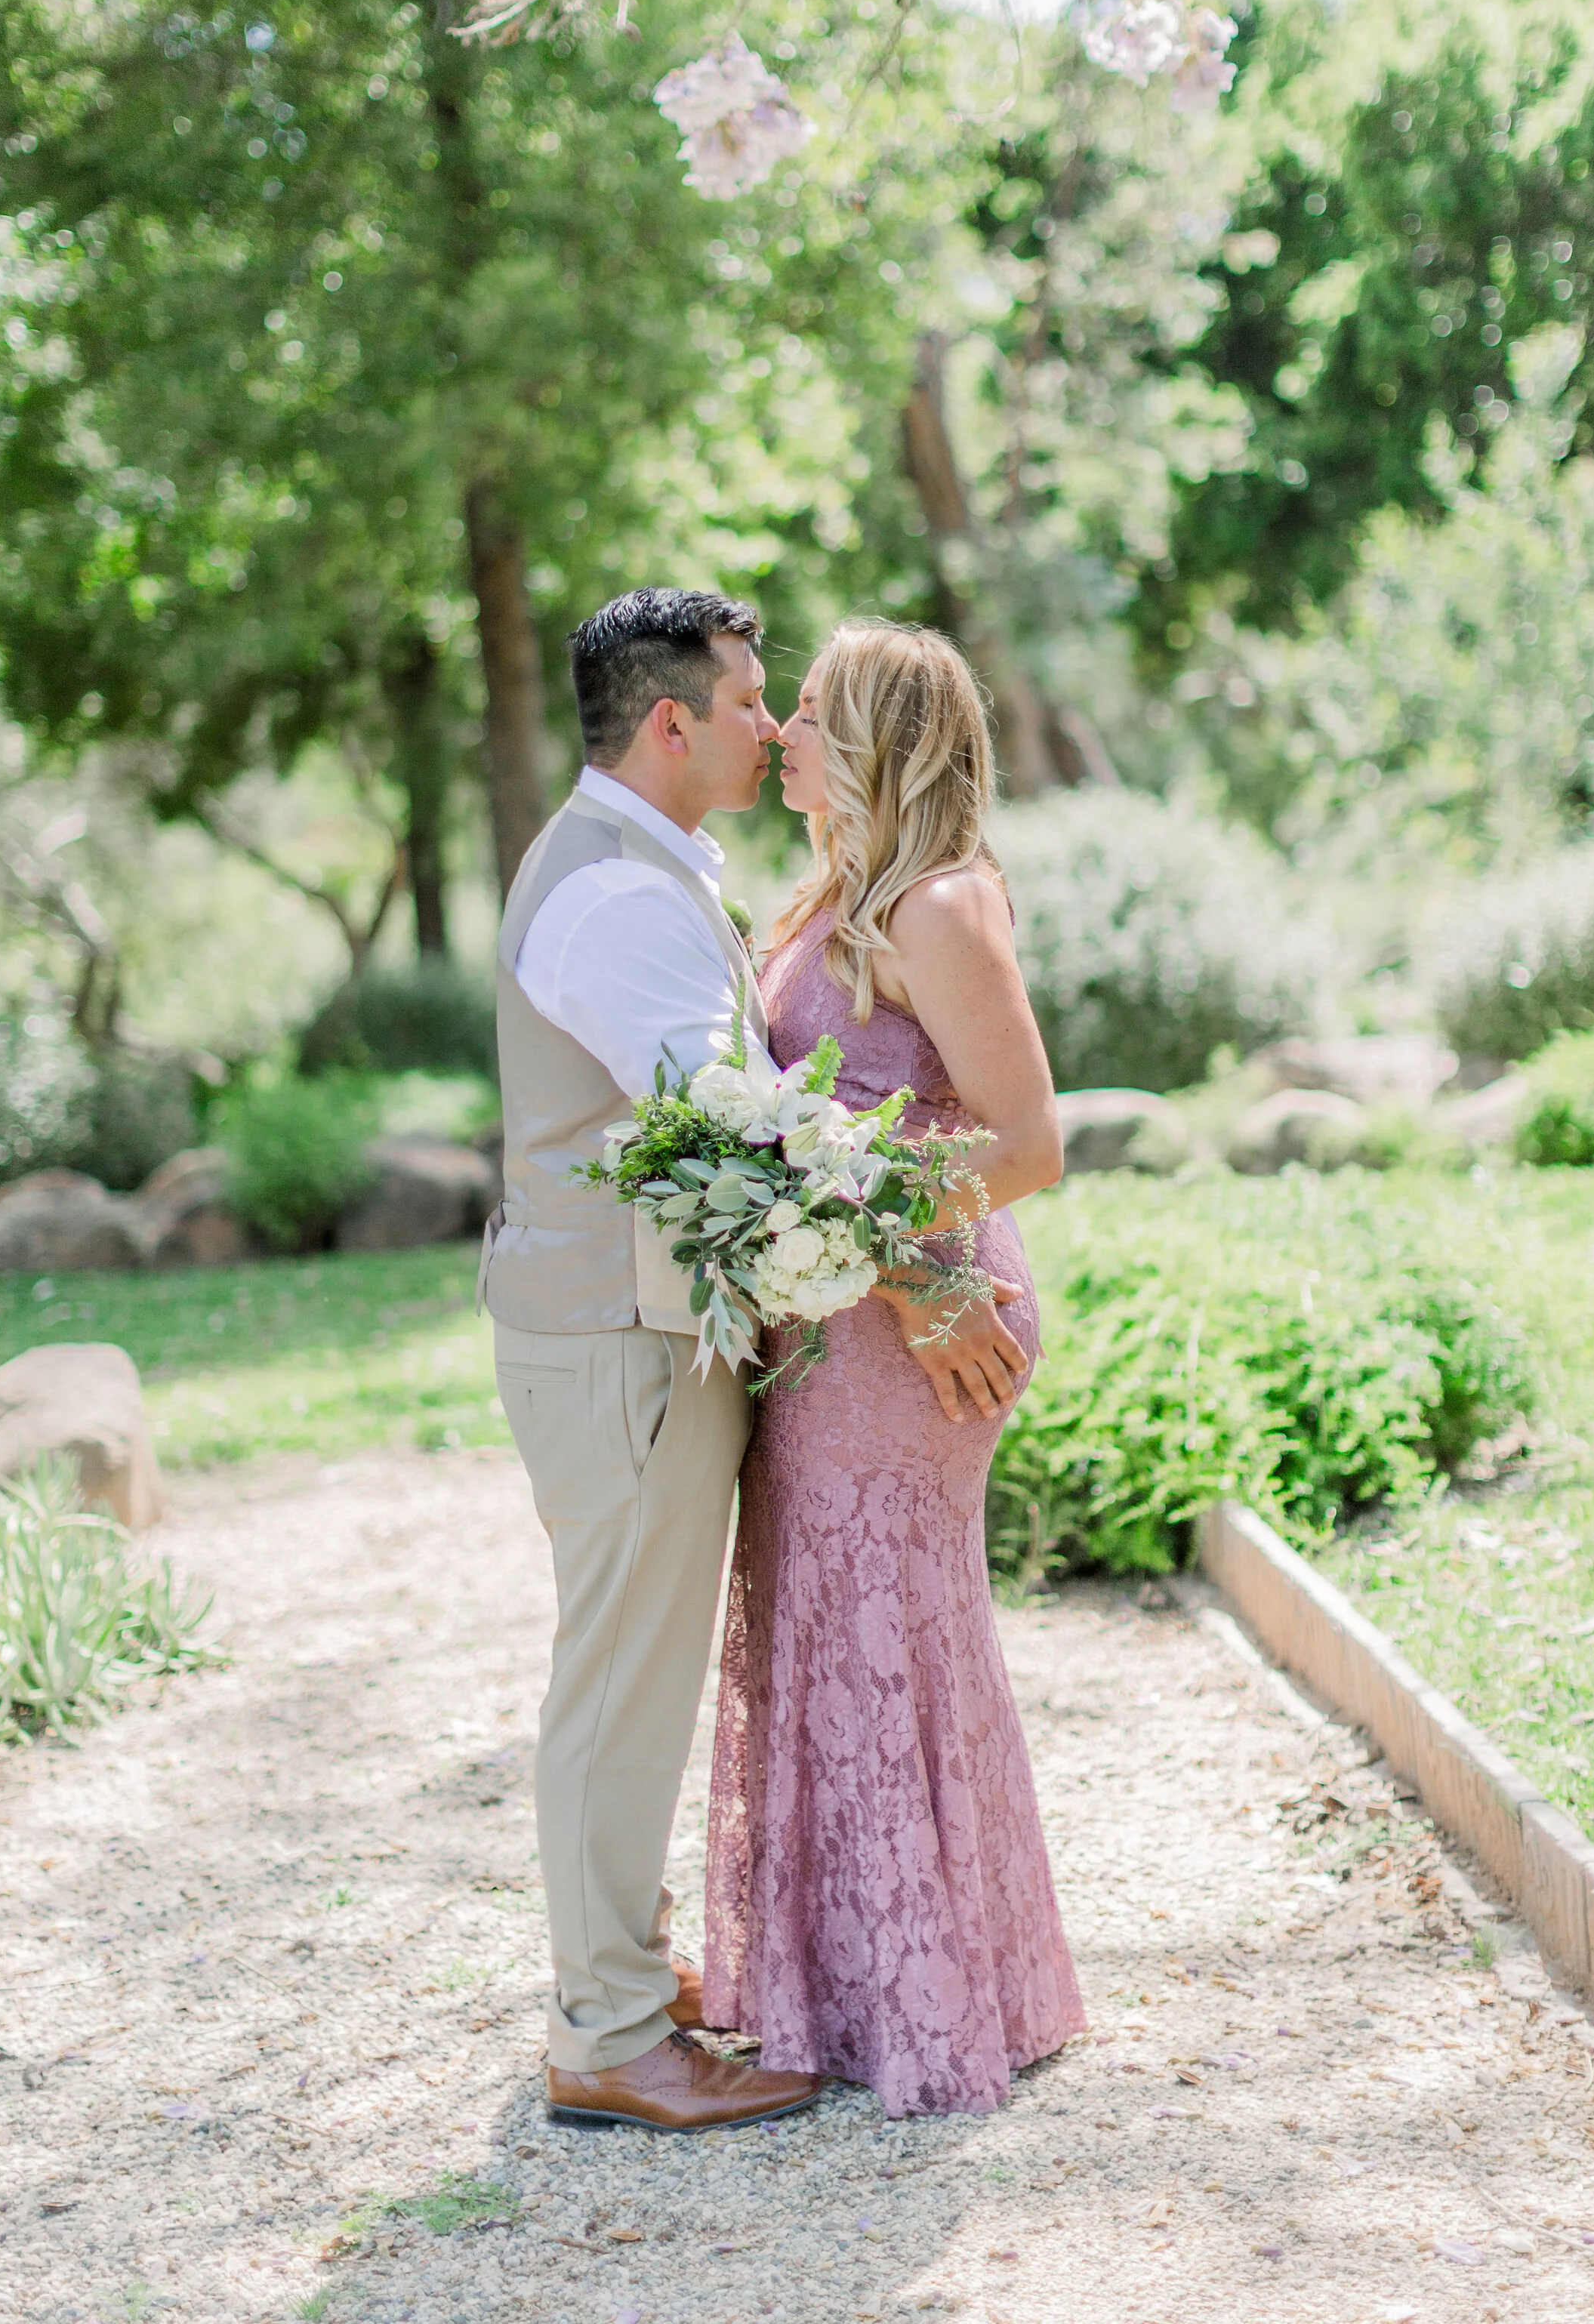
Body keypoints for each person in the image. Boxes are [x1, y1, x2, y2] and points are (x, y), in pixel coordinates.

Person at [483, 589, 1031, 2134]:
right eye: (746, 701)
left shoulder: (662, 874)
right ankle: (606, 2032)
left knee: (643, 1671)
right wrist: (921, 1279)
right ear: (672, 723)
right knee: (621, 1685)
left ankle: (635, 1975)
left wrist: (922, 1270)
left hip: (667, 1329)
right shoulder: (619, 901)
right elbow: (753, 1139)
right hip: (622, 1336)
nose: (772, 724)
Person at [705, 620, 1087, 2117]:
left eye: (809, 711)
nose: (783, 733)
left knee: (887, 1628)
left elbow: (1029, 1145)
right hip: (837, 1318)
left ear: (876, 739)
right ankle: (856, 1984)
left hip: (928, 1318)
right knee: (822, 1621)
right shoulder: (827, 901)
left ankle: (936, 2001)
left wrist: (877, 1241)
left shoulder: (937, 904)